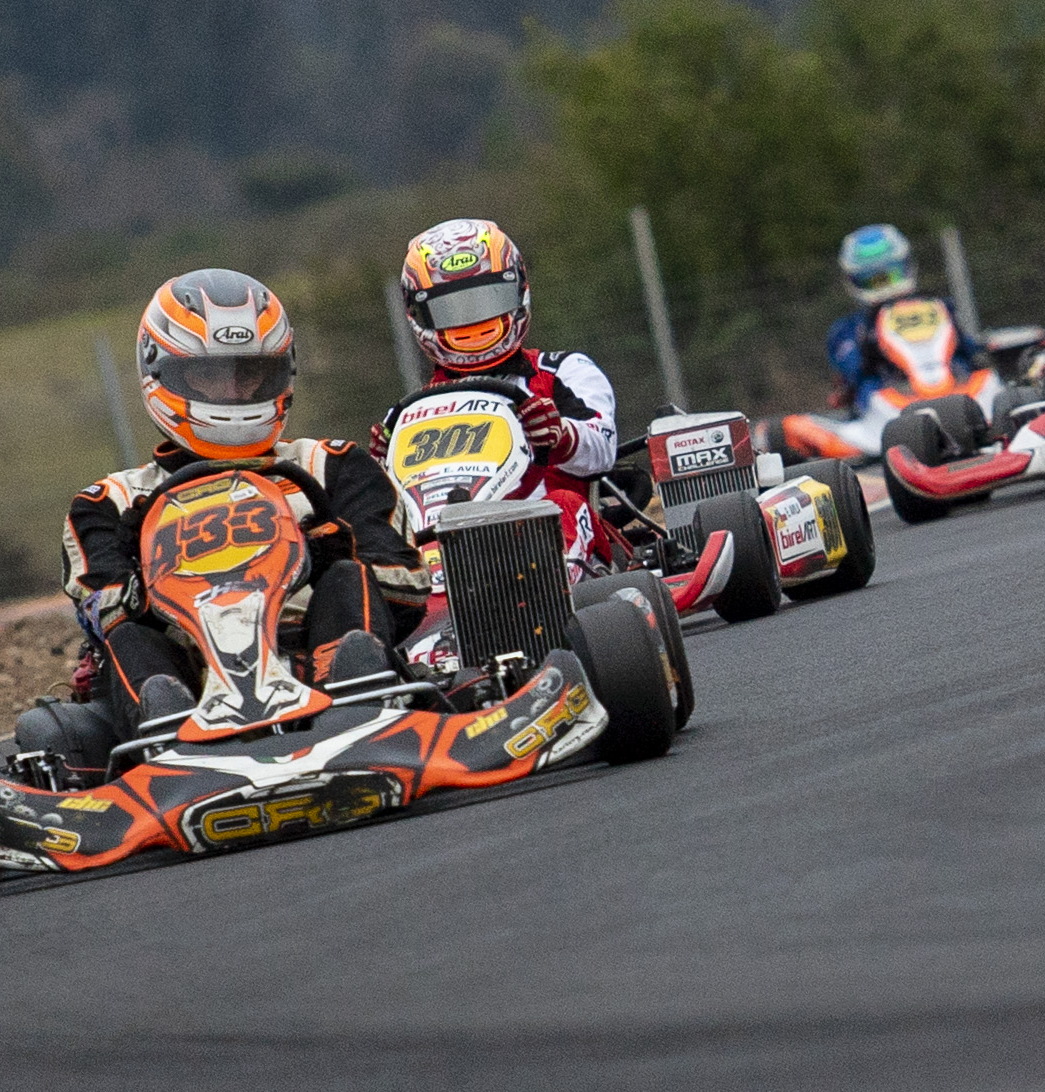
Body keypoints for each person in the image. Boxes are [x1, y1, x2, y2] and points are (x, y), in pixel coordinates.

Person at [61, 269, 425, 724]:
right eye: (209, 375)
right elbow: (104, 611)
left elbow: (406, 586)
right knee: (130, 638)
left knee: (348, 576)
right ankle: (168, 739)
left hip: (318, 661)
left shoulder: (331, 466)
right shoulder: (110, 503)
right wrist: (144, 572)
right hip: (192, 682)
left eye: (250, 373)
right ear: (161, 372)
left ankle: (360, 707)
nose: (232, 391)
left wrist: (327, 554)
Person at [383, 217, 642, 574]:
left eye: (487, 299)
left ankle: (547, 598)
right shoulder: (411, 413)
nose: (473, 323)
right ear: (419, 314)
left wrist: (561, 435)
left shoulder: (562, 371)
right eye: (450, 309)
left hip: (550, 537)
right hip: (446, 552)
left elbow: (602, 450)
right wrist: (378, 470)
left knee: (561, 504)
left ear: (518, 290)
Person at [824, 224, 988, 415]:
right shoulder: (848, 329)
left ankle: (976, 408)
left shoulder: (939, 307)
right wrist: (871, 344)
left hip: (955, 388)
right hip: (888, 401)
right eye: (874, 280)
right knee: (868, 384)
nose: (884, 285)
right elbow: (853, 371)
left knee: (967, 365)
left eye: (890, 274)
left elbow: (972, 351)